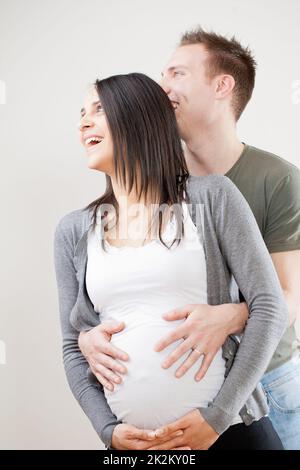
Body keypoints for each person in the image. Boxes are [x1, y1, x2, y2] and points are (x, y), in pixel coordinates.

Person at [79, 28, 300, 450]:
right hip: (189, 389)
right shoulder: (149, 183)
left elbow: (287, 295)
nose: (164, 87)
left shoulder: (275, 180)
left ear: (222, 86)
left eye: (177, 73)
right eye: (162, 75)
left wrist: (232, 317)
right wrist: (89, 335)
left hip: (270, 380)